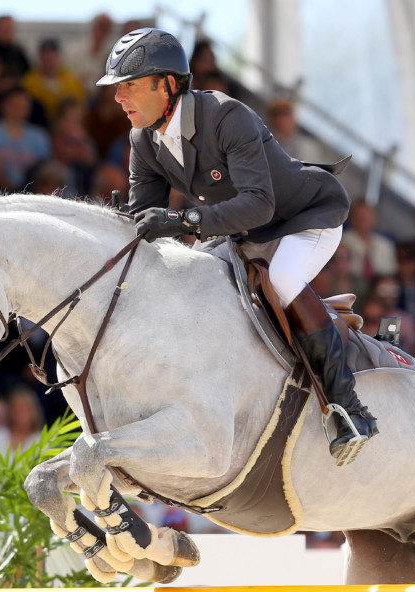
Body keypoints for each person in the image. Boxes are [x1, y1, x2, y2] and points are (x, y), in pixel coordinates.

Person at [97, 28, 376, 460]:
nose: (119, 97)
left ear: (168, 85)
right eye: (118, 87)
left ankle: (347, 408)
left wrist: (184, 218)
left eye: (129, 85)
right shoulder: (144, 140)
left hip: (303, 218)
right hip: (241, 232)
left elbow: (260, 205)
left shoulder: (227, 116)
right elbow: (145, 220)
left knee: (282, 279)